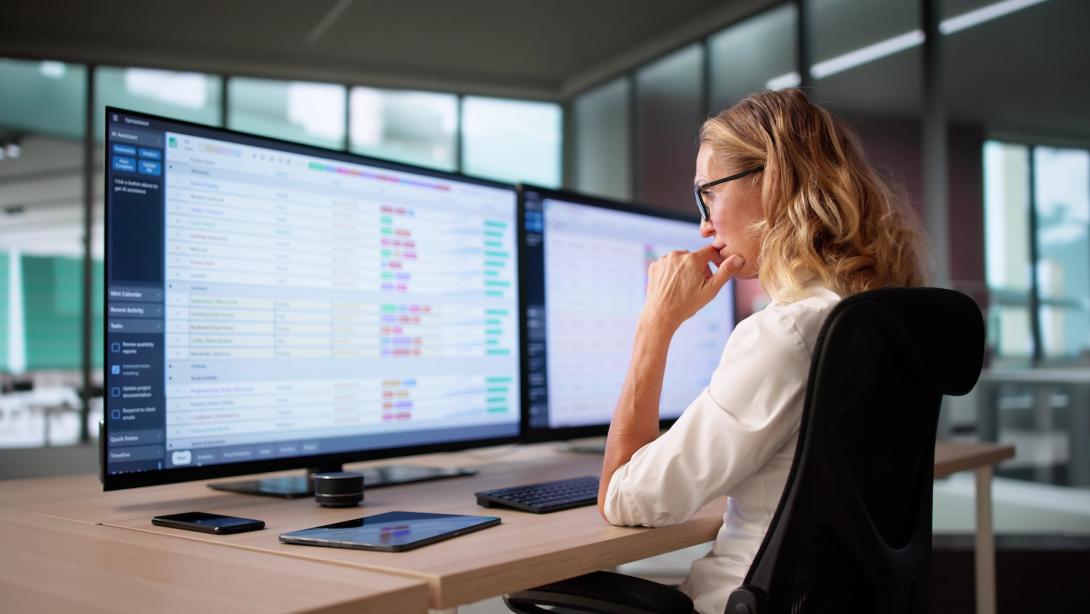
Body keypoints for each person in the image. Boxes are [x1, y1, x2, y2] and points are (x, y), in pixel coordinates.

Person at [597, 88, 925, 614]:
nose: (704, 224)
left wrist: (655, 326)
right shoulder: (871, 314)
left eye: (708, 195)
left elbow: (624, 499)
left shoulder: (786, 332)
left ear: (771, 183)